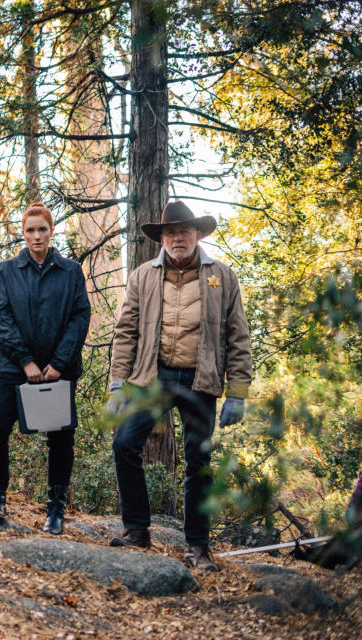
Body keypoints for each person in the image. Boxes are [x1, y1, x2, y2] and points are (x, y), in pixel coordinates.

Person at [107, 200, 253, 572]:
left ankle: (197, 547)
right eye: (170, 233)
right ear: (162, 238)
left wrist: (237, 393)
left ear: (198, 234)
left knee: (198, 462)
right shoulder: (143, 276)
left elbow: (238, 337)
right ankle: (137, 529)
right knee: (125, 444)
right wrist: (118, 383)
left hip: (199, 379)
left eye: (184, 232)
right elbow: (125, 332)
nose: (177, 239)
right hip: (151, 377)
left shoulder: (222, 276)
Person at [0, 203, 91, 531]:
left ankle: (55, 509)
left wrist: (58, 363)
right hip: (15, 368)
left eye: (42, 229)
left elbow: (79, 316)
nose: (36, 236)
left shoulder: (70, 271)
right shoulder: (7, 270)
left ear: (51, 230)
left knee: (60, 438)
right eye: (30, 230)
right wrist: (26, 361)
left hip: (59, 370)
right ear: (22, 233)